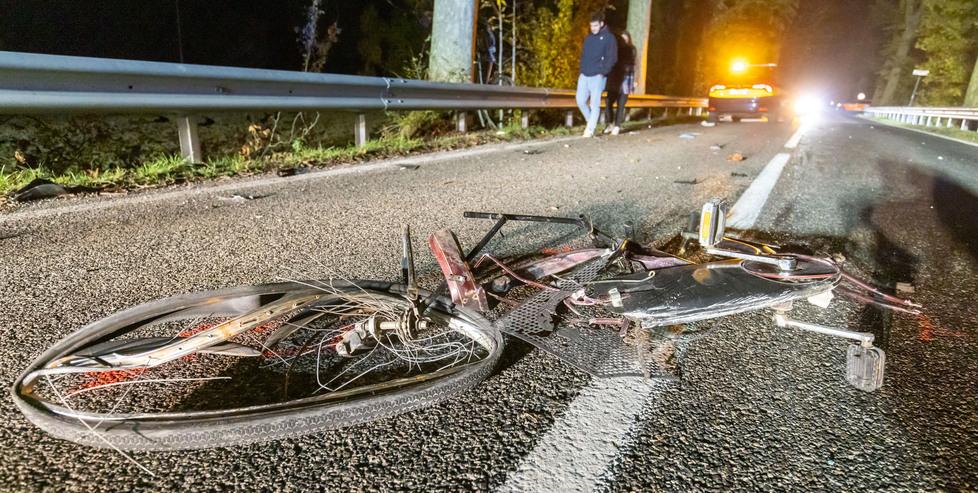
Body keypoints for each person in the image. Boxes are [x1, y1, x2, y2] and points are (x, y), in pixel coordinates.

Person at [576, 11, 617, 138]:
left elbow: (612, 57)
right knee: (580, 101)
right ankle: (591, 123)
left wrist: (603, 72)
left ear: (601, 24)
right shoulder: (588, 38)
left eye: (595, 26)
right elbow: (584, 55)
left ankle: (590, 129)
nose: (593, 28)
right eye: (591, 26)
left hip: (597, 76)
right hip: (584, 74)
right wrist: (582, 69)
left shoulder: (609, 38)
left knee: (594, 104)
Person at [603, 31, 636, 136]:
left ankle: (617, 126)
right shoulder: (615, 50)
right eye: (622, 39)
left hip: (625, 81)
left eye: (625, 39)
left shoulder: (631, 50)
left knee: (621, 105)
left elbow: (631, 65)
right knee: (608, 102)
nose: (623, 41)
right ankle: (610, 123)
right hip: (614, 80)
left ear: (628, 40)